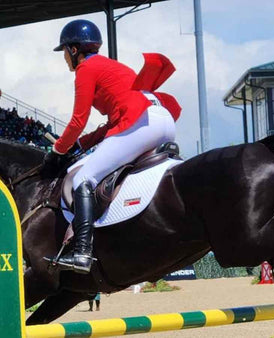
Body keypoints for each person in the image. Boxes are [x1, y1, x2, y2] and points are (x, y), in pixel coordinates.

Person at [44, 19, 181, 273]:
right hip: (162, 120)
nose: (64, 58)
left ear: (74, 50)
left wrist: (58, 150)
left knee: (82, 179)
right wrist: (80, 145)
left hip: (141, 124)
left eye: (64, 51)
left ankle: (82, 252)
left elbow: (77, 121)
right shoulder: (113, 66)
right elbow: (111, 124)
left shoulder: (86, 69)